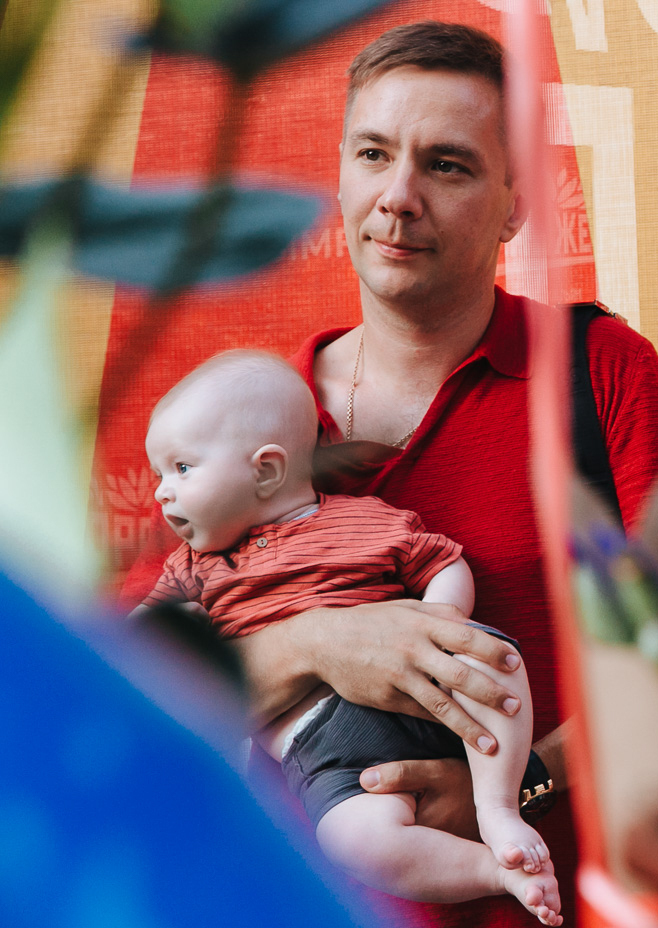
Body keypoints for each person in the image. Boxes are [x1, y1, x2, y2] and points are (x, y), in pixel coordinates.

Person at [212, 21, 658, 928]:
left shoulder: (600, 372)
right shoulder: (246, 419)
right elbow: (152, 679)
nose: (398, 197)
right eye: (373, 154)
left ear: (516, 204)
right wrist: (317, 644)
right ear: (341, 174)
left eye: (447, 165)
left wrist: (527, 782)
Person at [138, 351, 563, 924]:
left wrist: (438, 626)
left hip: (419, 691)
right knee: (350, 842)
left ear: (266, 470)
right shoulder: (191, 568)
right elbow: (134, 650)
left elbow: (443, 562)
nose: (162, 493)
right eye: (158, 475)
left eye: (182, 469)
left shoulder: (366, 518)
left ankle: (497, 806)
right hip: (325, 750)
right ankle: (496, 871)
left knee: (496, 661)